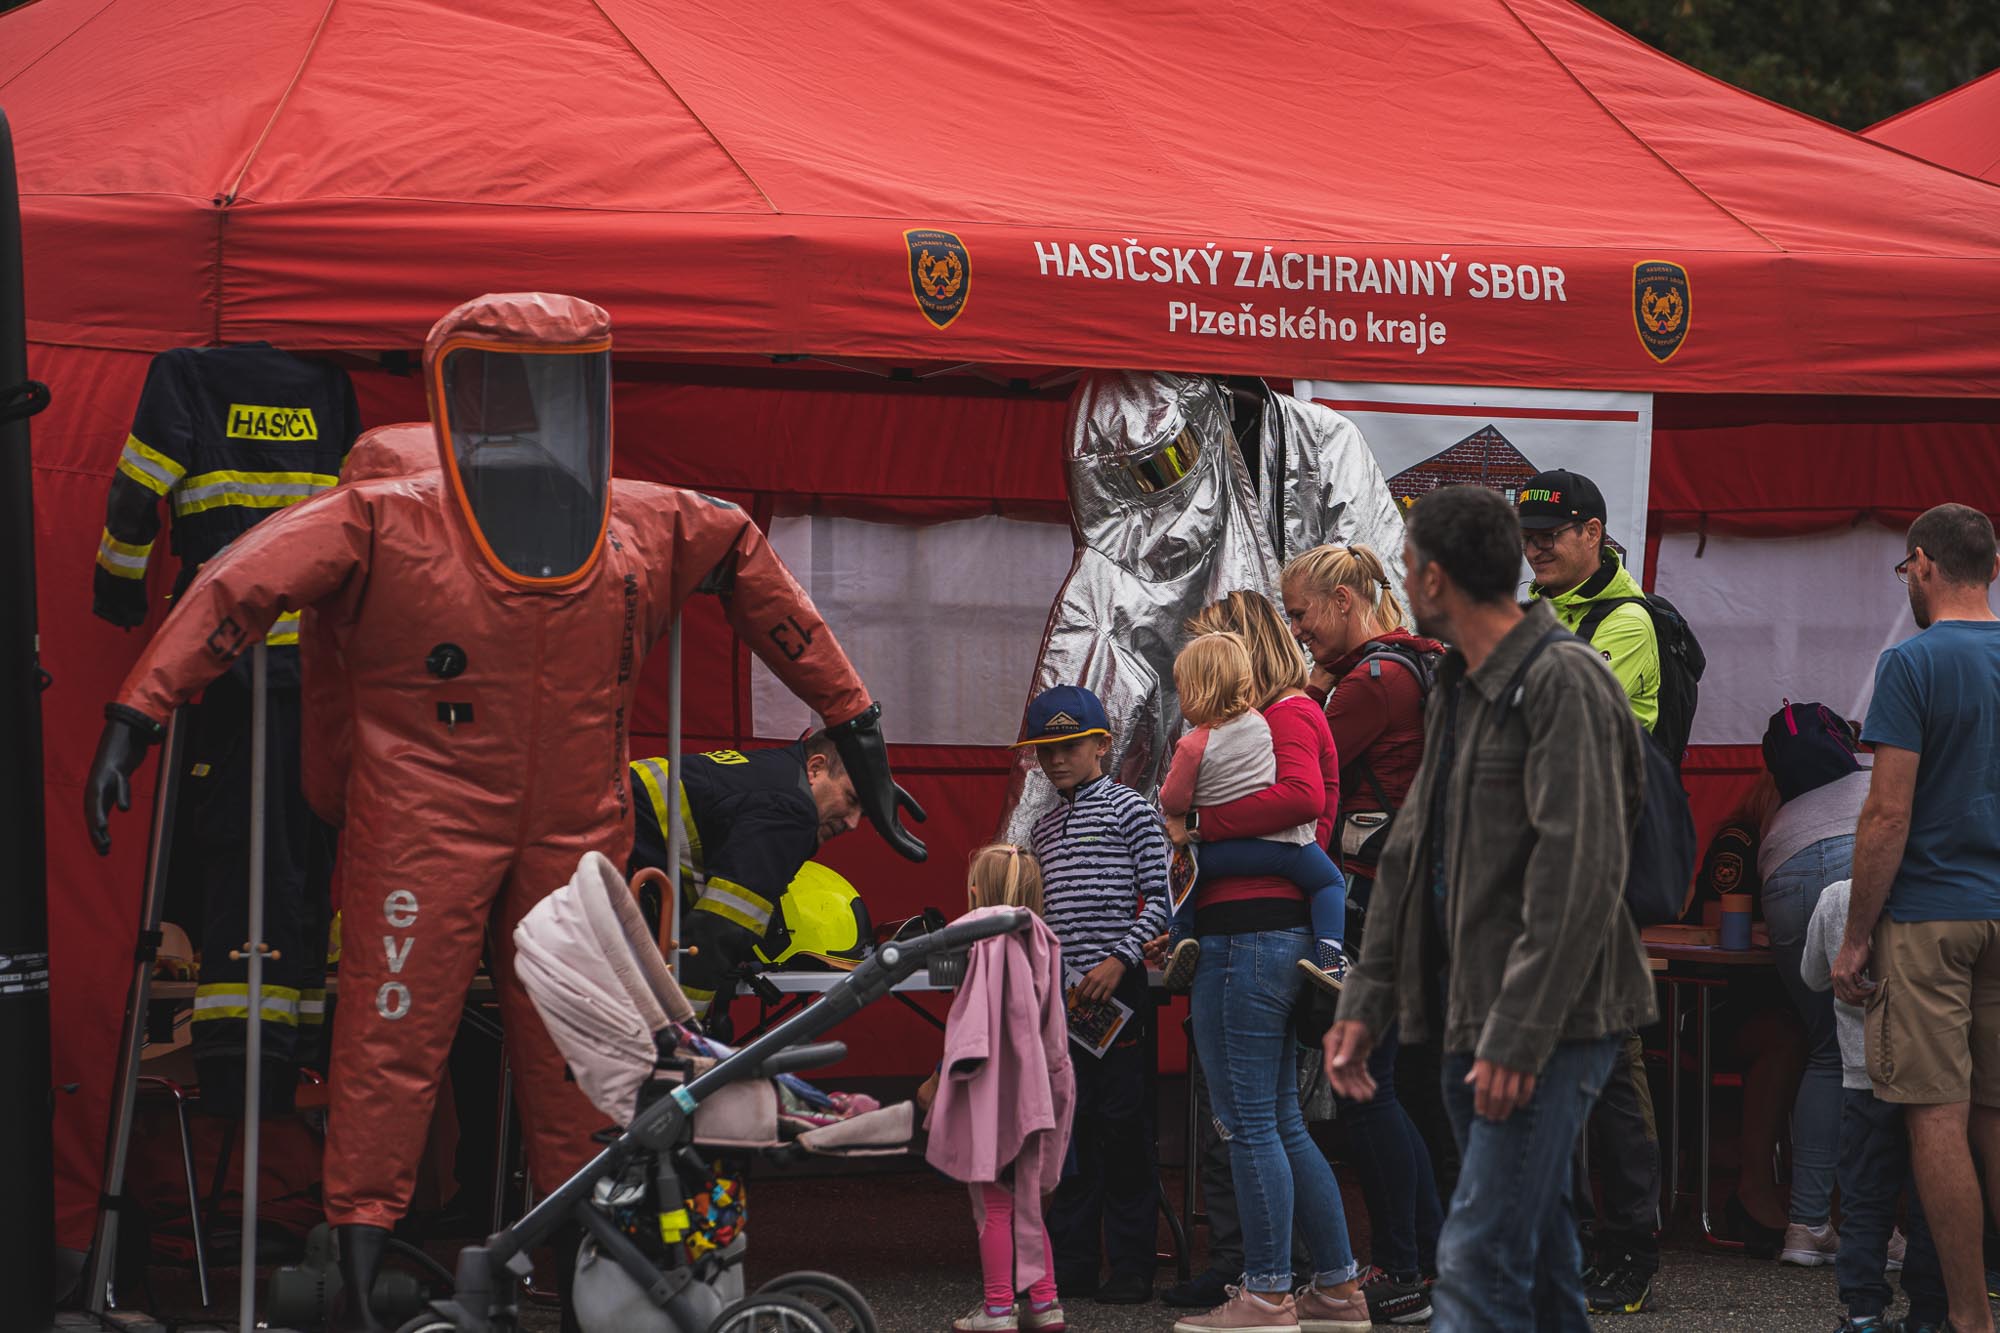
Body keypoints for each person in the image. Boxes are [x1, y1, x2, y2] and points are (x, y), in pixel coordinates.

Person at [80, 293, 928, 1333]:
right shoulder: (388, 514)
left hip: (565, 809)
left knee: (580, 1041)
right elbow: (234, 590)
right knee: (397, 1028)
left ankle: (579, 1258)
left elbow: (750, 565)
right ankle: (365, 1252)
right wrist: (138, 709)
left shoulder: (637, 523)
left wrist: (857, 729)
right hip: (427, 804)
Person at [1327, 484, 1653, 1332]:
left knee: (1474, 1260)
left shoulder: (1566, 680)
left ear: (1434, 578)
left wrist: (1517, 1032)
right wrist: (1365, 1005)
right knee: (1538, 1263)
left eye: (1405, 570)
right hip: (1470, 1013)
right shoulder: (1455, 681)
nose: (1402, 586)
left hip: (1555, 1022)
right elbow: (1408, 855)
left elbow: (1577, 877)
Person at [91, 344, 360, 1114]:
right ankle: (290, 1050)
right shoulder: (329, 381)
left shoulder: (186, 375)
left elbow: (136, 494)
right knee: (301, 854)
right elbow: (357, 508)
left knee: (241, 851)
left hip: (224, 651)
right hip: (317, 660)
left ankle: (240, 1063)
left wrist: (120, 589)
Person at [1164, 590, 1371, 1333]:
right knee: (1279, 1120)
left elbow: (1303, 803)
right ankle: (1337, 1289)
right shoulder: (1288, 715)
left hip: (1246, 936)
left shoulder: (1275, 716)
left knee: (1248, 1121)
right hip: (1274, 934)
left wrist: (1197, 833)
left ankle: (1268, 1291)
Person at [1834, 503, 2000, 1333]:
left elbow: (1885, 815)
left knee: (1937, 1111)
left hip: (1931, 915)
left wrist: (1856, 933)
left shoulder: (1911, 662)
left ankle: (1971, 1318)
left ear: (1925, 564)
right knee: (1997, 1113)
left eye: (1907, 571)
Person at [1283, 541, 1448, 1325]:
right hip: (1416, 900)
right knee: (1391, 1087)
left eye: (1303, 613)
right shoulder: (1414, 665)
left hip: (1381, 903)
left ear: (1346, 601)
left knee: (1365, 1087)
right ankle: (1424, 1258)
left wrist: (1313, 688)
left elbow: (1292, 768)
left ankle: (1405, 1268)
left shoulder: (1371, 683)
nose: (1298, 629)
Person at [1516, 468, 1664, 1314]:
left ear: (1595, 532)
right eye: (1526, 534)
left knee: (1609, 1061)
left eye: (1551, 531)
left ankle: (1632, 1243)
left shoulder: (1626, 620)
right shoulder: (1542, 614)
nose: (1534, 545)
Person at [1017, 684, 1170, 1305]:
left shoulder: (1131, 809)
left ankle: (1132, 1264)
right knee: (1068, 1132)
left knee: (1123, 1126)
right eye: (1044, 750)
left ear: (1102, 745)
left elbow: (1164, 898)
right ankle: (1074, 1263)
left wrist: (1117, 959)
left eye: (1068, 746)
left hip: (1119, 995)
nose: (1056, 760)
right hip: (1064, 1005)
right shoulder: (1043, 827)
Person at [627, 732, 863, 1027]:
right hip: (601, 857)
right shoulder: (792, 808)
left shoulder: (772, 772)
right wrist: (680, 1033)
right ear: (815, 768)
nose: (853, 823)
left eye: (862, 813)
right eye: (851, 799)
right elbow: (717, 932)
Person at [1157, 631, 1349, 993]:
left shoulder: (1192, 744)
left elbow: (1174, 802)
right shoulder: (1263, 724)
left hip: (1213, 856)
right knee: (1330, 881)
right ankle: (1330, 955)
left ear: (1197, 692)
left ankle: (1179, 936)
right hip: (1281, 849)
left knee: (1179, 870)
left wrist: (1185, 817)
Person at [1801, 878, 1949, 1331]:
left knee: (1865, 1200)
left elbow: (1810, 975)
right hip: (1931, 1076)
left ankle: (1863, 1313)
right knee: (1930, 1202)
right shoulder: (1942, 894)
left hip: (1863, 1079)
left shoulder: (1835, 898)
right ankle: (1927, 1314)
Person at [939, 844, 1073, 1333]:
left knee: (992, 1203)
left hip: (994, 1095)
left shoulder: (975, 948)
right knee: (1029, 1203)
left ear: (976, 891)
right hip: (1039, 1092)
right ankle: (1044, 1303)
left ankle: (997, 1308)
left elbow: (972, 1032)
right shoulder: (1043, 943)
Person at [1758, 701, 1874, 1265]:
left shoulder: (1777, 810)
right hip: (1862, 861)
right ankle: (1876, 1226)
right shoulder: (1876, 776)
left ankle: (1805, 1225)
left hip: (1785, 872)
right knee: (1887, 1054)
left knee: (1827, 1054)